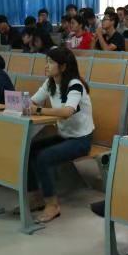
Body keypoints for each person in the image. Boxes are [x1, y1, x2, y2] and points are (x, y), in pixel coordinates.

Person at [22, 49, 94, 223]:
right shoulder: (50, 83)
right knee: (30, 150)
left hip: (81, 140)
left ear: (63, 66)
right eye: (46, 61)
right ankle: (36, 197)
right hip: (64, 136)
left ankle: (52, 205)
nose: (46, 66)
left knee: (44, 157)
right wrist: (23, 105)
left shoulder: (75, 85)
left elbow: (67, 112)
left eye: (51, 62)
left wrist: (39, 110)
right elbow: (32, 101)